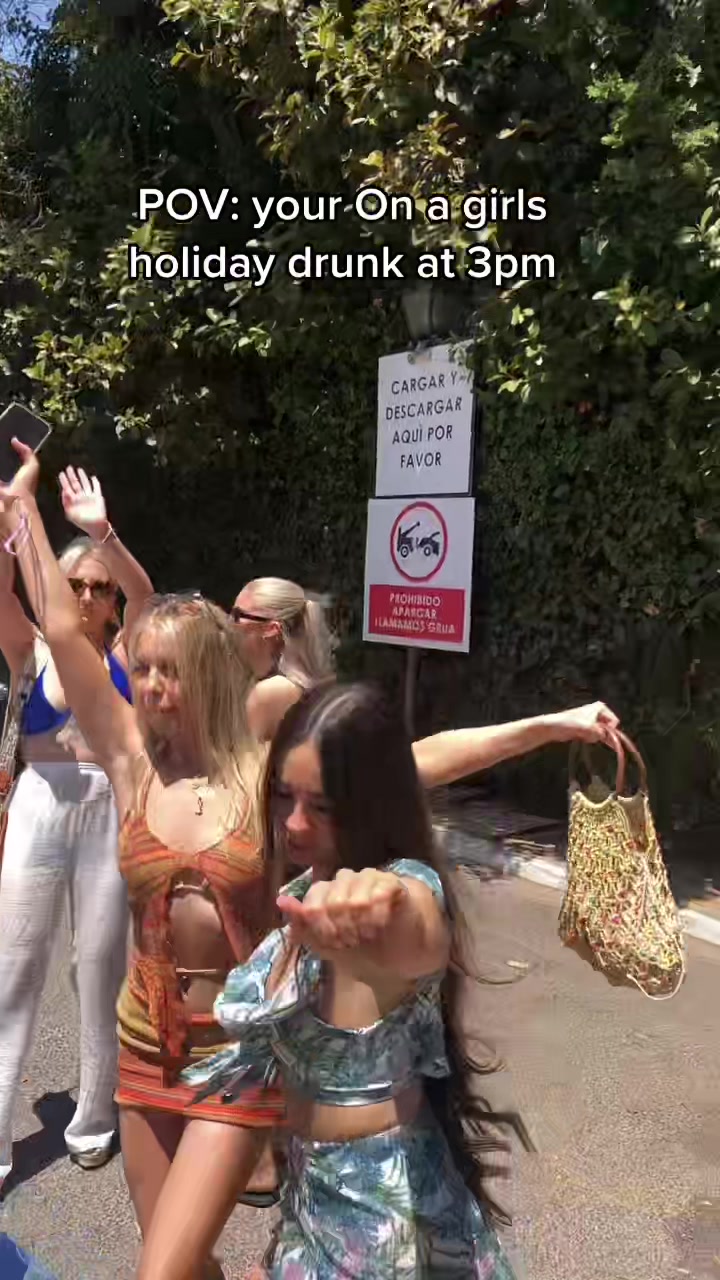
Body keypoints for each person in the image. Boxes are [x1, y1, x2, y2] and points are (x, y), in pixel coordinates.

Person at [0, 441, 619, 1279]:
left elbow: (418, 761)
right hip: (145, 1044)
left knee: (175, 1263)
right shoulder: (129, 762)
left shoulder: (266, 778)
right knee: (172, 1262)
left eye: (166, 671)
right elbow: (63, 631)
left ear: (209, 676)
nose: (147, 687)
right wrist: (23, 509)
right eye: (139, 669)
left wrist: (549, 726)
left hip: (237, 1049)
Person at [181, 681, 618, 1278]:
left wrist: (381, 900)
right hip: (311, 1202)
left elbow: (415, 920)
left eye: (322, 806)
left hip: (383, 1236)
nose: (294, 823)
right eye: (283, 793)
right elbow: (441, 753)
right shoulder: (304, 846)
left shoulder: (397, 885)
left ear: (367, 802)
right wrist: (554, 724)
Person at [0, 464, 153, 1190]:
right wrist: (10, 527)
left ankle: (94, 1119)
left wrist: (102, 533)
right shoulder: (33, 646)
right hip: (40, 801)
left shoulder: (123, 655)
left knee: (100, 968)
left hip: (108, 807)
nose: (89, 596)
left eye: (100, 587)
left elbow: (147, 595)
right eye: (77, 585)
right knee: (13, 966)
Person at [231, 578, 336, 742]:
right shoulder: (304, 685)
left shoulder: (272, 692)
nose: (229, 622)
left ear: (271, 629)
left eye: (238, 615)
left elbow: (239, 757)